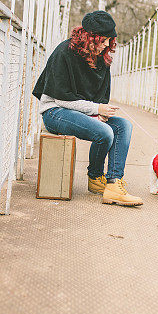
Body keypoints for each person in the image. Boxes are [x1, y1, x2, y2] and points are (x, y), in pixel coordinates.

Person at [33, 11, 143, 206]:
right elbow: (61, 100)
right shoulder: (64, 52)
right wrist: (96, 109)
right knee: (105, 133)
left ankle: (112, 183)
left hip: (81, 111)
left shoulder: (102, 58)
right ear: (90, 38)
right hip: (54, 112)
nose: (108, 45)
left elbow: (100, 98)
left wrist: (99, 112)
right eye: (104, 40)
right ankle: (96, 175)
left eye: (111, 40)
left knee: (123, 126)